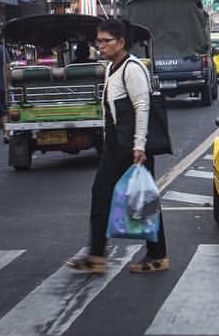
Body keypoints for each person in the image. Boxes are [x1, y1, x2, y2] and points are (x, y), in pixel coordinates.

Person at [68, 19, 167, 275]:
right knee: (101, 194)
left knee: (143, 199)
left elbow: (142, 107)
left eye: (105, 41)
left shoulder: (131, 68)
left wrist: (139, 145)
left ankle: (157, 255)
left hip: (131, 145)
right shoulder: (112, 67)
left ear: (121, 42)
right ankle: (96, 255)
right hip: (115, 144)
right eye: (98, 41)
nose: (100, 46)